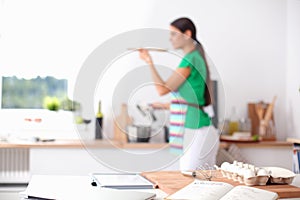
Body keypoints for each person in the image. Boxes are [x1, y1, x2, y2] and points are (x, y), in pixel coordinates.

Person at [138, 17, 220, 170]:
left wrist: (149, 62)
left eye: (174, 34)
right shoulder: (195, 57)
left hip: (196, 132)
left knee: (190, 182)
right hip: (201, 131)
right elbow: (191, 99)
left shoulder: (190, 60)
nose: (170, 39)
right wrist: (164, 106)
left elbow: (162, 89)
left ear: (187, 34)